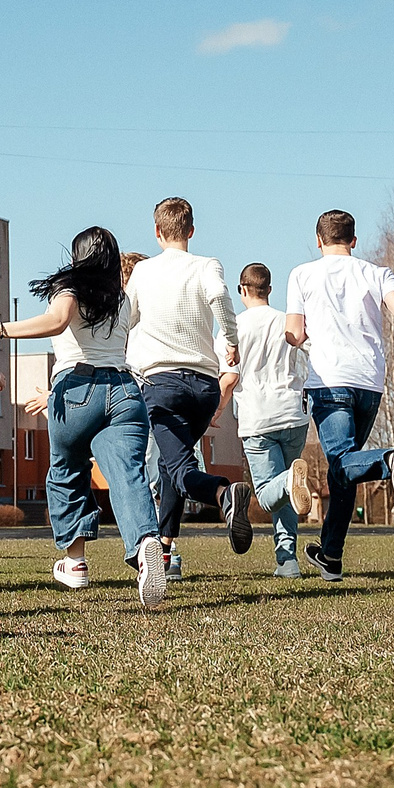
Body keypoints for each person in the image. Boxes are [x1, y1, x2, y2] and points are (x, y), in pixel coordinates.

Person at [0, 228, 166, 608]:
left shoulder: (70, 288)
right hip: (126, 391)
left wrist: (1, 330)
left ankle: (75, 562)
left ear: (78, 257)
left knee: (66, 471)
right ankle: (145, 543)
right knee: (128, 473)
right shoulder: (120, 299)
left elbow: (58, 322)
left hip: (78, 389)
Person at [284, 213, 394, 582]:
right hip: (370, 382)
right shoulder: (377, 273)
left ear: (318, 240)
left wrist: (299, 341)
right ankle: (330, 557)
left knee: (342, 463)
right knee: (344, 471)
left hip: (329, 381)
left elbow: (294, 332)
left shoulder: (302, 274)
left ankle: (389, 459)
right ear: (354, 240)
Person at [124, 197, 244, 579]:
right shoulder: (208, 265)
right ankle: (165, 551)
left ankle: (222, 494)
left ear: (157, 232)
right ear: (191, 231)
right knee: (171, 463)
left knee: (177, 467)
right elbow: (220, 298)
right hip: (204, 387)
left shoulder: (143, 271)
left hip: (161, 385)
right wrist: (230, 338)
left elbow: (127, 319)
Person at [228, 262, 309, 576]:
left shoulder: (234, 327)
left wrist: (217, 408)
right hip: (292, 413)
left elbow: (229, 376)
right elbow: (310, 349)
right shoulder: (286, 323)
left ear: (242, 289)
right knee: (286, 491)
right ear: (269, 290)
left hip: (257, 417)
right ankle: (287, 562)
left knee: (266, 493)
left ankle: (290, 483)